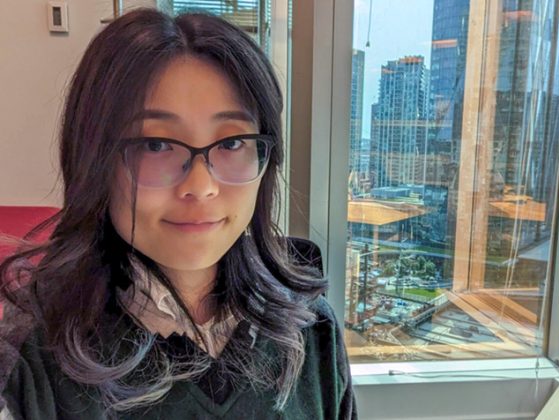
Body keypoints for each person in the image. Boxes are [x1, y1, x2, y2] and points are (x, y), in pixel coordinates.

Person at [0, 8, 356, 420]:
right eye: (155, 145)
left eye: (233, 142)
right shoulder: (35, 354)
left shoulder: (311, 329)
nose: (201, 186)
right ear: (95, 161)